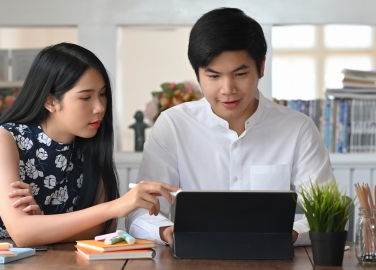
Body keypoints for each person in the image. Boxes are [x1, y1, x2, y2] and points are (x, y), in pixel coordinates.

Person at [126, 7, 333, 247]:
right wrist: (166, 231)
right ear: (197, 74)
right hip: (193, 259)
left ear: (261, 66)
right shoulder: (173, 125)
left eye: (240, 74)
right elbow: (140, 212)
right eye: (214, 76)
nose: (228, 89)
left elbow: (328, 214)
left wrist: (290, 234)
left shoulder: (298, 129)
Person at [0, 43, 178, 247]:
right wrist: (118, 205)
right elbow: (24, 233)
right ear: (50, 101)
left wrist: (43, 228)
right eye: (86, 97)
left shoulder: (88, 146)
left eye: (103, 94)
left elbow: (101, 230)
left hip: (44, 260)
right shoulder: (3, 139)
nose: (99, 107)